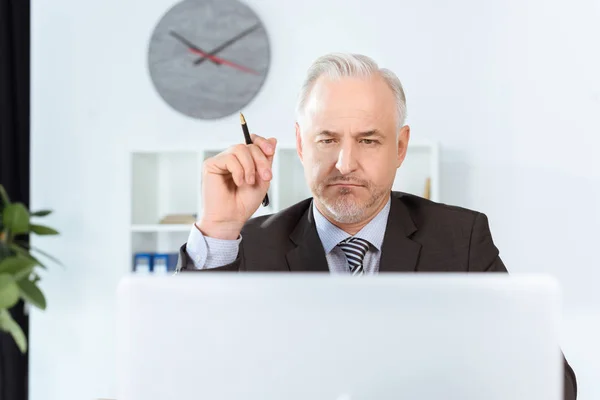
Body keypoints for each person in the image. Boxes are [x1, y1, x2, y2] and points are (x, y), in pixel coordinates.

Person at [175, 52, 577, 399]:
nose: (345, 163)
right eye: (327, 140)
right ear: (300, 145)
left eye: (368, 140)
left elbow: (553, 386)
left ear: (400, 147)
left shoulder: (460, 240)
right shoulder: (247, 248)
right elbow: (187, 374)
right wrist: (219, 228)